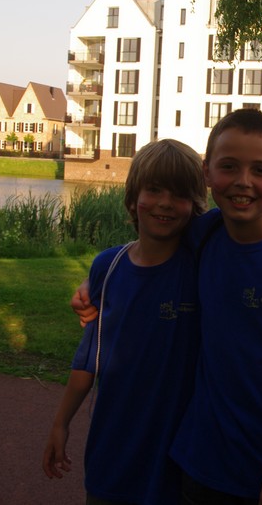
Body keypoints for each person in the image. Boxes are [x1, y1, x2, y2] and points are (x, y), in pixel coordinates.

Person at [73, 109, 262, 504]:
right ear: (207, 172)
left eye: (260, 170)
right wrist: (94, 281)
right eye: (229, 166)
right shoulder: (205, 234)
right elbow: (149, 244)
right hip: (201, 465)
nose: (243, 181)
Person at [42, 139, 208, 504]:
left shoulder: (204, 266)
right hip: (113, 448)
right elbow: (90, 357)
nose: (165, 203)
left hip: (178, 457)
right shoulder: (108, 266)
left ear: (195, 205)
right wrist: (60, 422)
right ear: (133, 199)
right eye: (154, 190)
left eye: (180, 194)